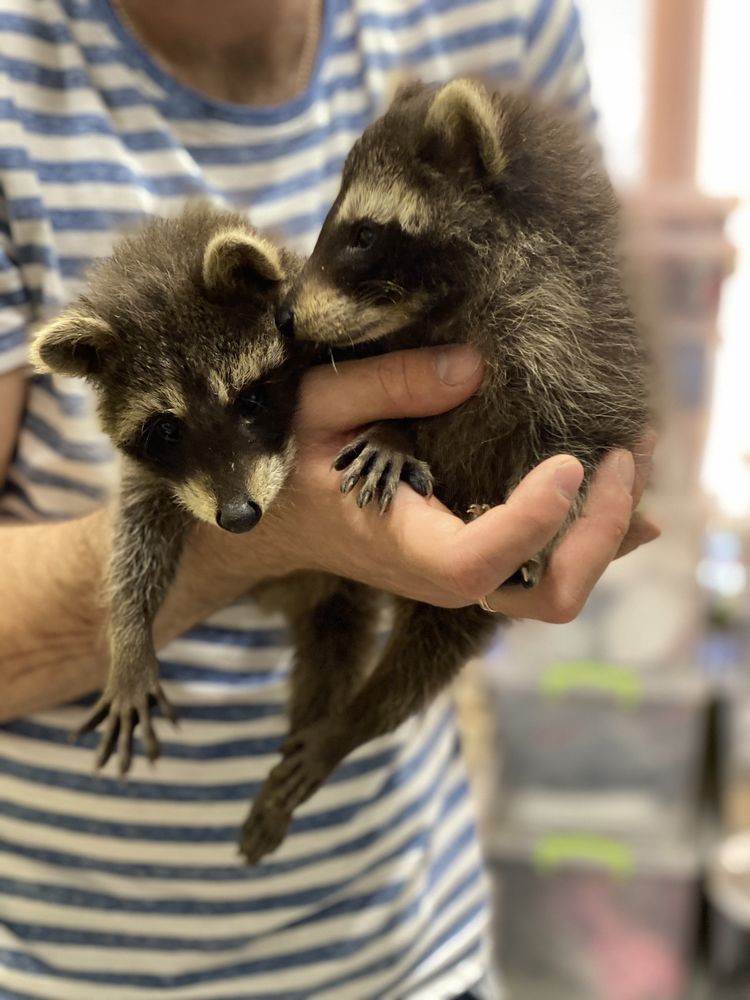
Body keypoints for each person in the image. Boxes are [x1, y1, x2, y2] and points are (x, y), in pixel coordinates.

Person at [0, 1, 658, 997]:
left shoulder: (503, 23)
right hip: (71, 963)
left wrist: (547, 516)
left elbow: (593, 330)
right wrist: (249, 543)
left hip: (407, 939)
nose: (302, 301)